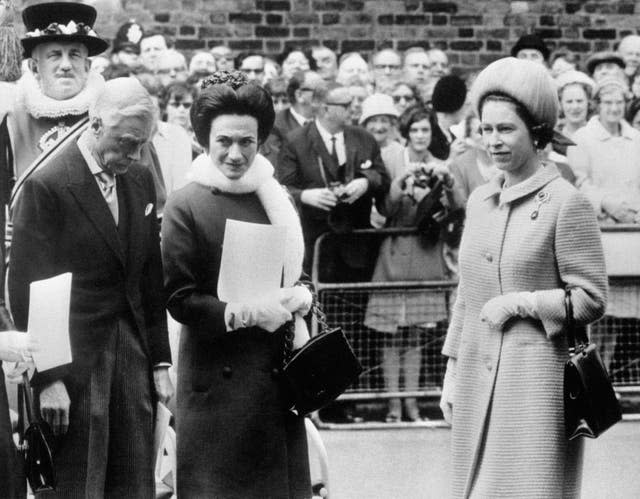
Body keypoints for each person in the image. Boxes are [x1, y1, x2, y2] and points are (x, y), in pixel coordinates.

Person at [440, 57, 608, 498]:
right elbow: (466, 296)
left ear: (536, 133)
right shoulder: (479, 200)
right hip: (477, 374)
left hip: (536, 382)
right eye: (486, 129)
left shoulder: (565, 202)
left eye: (505, 129)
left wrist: (524, 302)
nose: (492, 141)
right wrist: (452, 372)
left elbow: (591, 297)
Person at [8, 77, 174, 498]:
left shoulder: (138, 179)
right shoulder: (47, 185)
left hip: (133, 353)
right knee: (79, 484)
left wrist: (159, 363)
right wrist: (49, 378)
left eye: (142, 144)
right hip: (76, 363)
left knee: (135, 481)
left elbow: (149, 274)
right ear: (95, 124)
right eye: (126, 143)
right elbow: (30, 289)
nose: (134, 155)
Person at [161, 70, 312, 498]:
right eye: (223, 141)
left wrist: (300, 294)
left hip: (272, 377)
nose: (234, 154)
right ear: (204, 141)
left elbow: (294, 268)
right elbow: (179, 298)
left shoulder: (273, 197)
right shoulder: (185, 203)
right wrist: (241, 312)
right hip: (216, 383)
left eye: (247, 142)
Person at [364, 104, 463, 422]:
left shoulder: (441, 164)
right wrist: (401, 181)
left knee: (416, 335)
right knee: (391, 333)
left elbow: (457, 211)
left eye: (426, 130)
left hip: (425, 253)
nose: (421, 136)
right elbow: (385, 207)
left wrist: (446, 183)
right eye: (415, 130)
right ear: (406, 133)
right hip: (393, 251)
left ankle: (412, 404)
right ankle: (394, 405)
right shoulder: (392, 159)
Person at [277, 83, 390, 278]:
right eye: (345, 104)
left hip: (358, 247)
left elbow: (383, 178)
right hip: (315, 246)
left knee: (356, 305)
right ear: (325, 108)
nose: (353, 107)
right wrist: (305, 196)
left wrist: (366, 182)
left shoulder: (364, 138)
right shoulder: (295, 142)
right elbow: (282, 189)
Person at [567, 75, 640, 376]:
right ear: (598, 105)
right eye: (607, 102)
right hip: (600, 233)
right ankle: (593, 385)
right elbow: (580, 183)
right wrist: (608, 205)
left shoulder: (636, 138)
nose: (613, 108)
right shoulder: (583, 138)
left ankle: (607, 380)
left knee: (622, 316)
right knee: (598, 316)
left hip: (631, 233)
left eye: (619, 102)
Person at [0, 1, 108, 183]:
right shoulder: (11, 120)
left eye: (74, 54)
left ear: (87, 66)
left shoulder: (112, 114)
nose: (65, 65)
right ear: (34, 68)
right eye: (54, 55)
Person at [555, 70, 595, 140]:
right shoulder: (555, 138)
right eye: (569, 102)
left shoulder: (597, 134)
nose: (575, 107)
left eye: (579, 101)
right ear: (561, 104)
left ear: (588, 102)